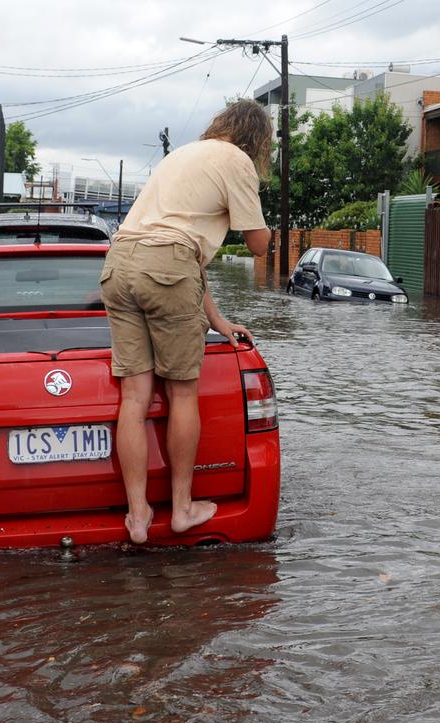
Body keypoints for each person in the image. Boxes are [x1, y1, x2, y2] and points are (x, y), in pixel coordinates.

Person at [100, 99, 272, 544]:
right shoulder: (236, 161)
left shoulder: (181, 156)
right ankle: (181, 509)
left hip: (118, 264)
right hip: (166, 266)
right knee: (181, 392)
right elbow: (256, 245)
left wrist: (217, 320)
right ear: (257, 139)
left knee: (134, 397)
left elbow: (184, 259)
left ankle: (137, 517)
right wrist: (263, 223)